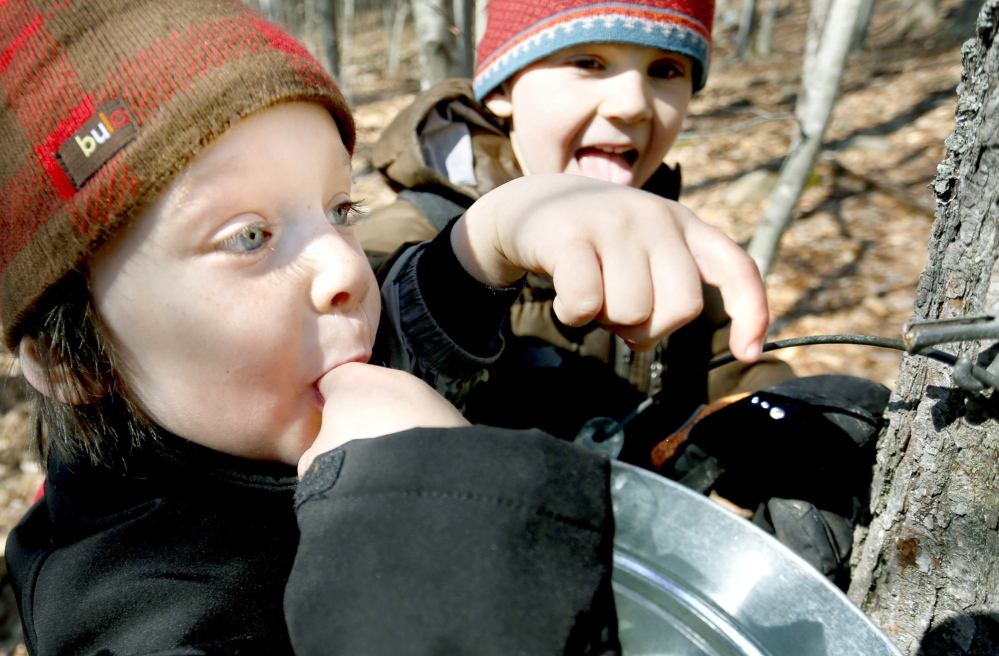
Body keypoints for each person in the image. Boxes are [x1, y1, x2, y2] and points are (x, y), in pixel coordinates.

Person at [0, 0, 769, 653]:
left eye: (338, 211)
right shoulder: (134, 608)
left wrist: (488, 239)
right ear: (68, 361)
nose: (344, 268)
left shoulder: (247, 407)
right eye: (248, 237)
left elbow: (414, 330)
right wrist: (419, 519)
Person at [356, 0, 891, 586]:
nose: (634, 103)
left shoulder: (671, 247)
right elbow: (359, 364)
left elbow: (720, 376)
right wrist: (473, 260)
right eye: (588, 61)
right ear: (503, 87)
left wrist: (780, 423)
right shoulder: (408, 239)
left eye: (666, 70)